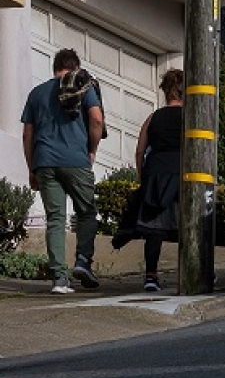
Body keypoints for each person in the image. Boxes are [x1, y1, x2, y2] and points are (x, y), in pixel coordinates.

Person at [21, 48, 103, 294]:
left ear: (54, 67)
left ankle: (59, 279)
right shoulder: (83, 85)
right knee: (87, 212)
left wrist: (31, 167)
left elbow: (27, 134)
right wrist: (92, 150)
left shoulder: (37, 93)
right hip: (75, 159)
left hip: (45, 161)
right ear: (75, 67)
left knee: (55, 219)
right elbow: (97, 120)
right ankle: (82, 262)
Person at [114, 68, 183, 292]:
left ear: (166, 92)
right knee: (190, 226)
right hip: (182, 174)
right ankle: (200, 273)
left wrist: (144, 177)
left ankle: (151, 277)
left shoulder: (153, 117)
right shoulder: (192, 117)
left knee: (155, 228)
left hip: (155, 172)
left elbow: (140, 151)